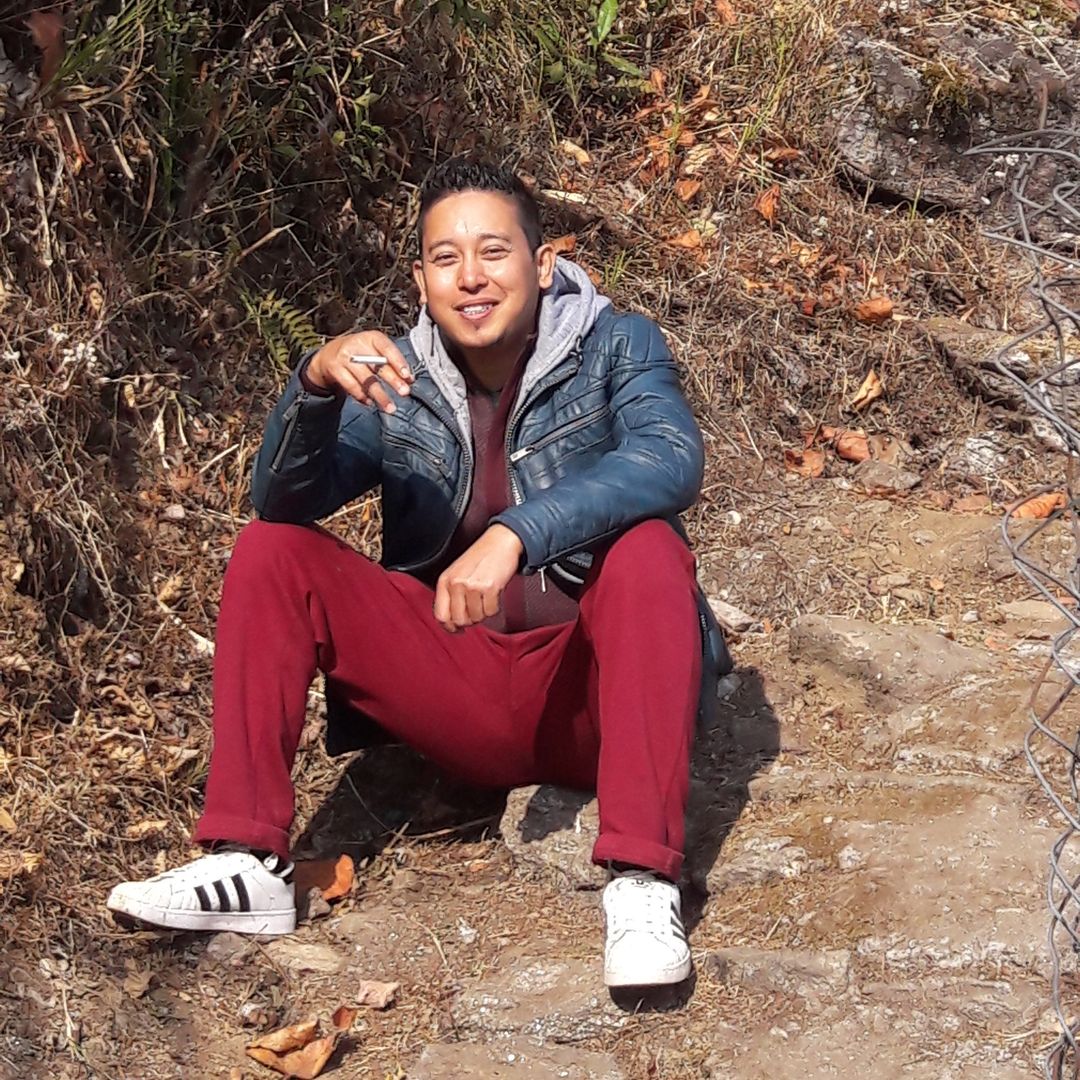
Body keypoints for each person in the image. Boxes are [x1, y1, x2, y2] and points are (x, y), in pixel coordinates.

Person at [107, 158, 730, 988]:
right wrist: (314, 387)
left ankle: (643, 883)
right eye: (446, 258)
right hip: (459, 688)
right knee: (270, 549)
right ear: (420, 280)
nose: (471, 277)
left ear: (543, 264)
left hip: (591, 697)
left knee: (648, 548)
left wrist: (517, 535)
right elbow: (285, 501)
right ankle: (248, 862)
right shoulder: (400, 377)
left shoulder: (617, 343)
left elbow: (670, 456)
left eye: (494, 252)